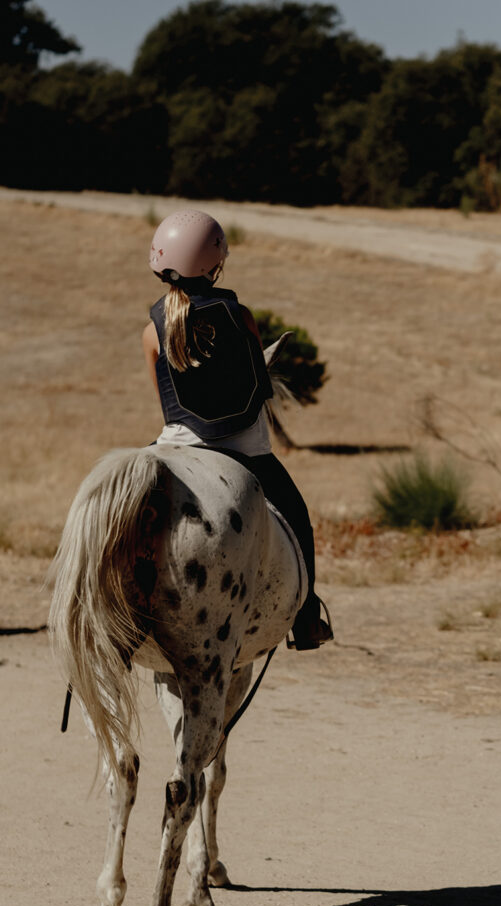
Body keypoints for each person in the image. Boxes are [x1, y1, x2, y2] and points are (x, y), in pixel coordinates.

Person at [142, 209, 332, 650]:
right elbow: (254, 381)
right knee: (297, 515)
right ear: (216, 264)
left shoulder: (151, 332)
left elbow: (167, 405)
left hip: (180, 445)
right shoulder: (240, 316)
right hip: (246, 447)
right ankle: (305, 621)